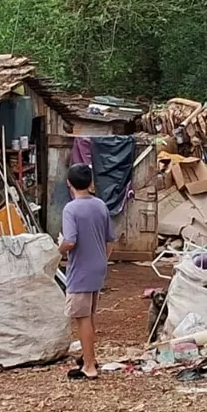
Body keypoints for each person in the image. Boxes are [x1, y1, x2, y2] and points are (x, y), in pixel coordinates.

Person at [59, 162, 116, 380]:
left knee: (82, 317)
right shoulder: (100, 205)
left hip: (80, 268)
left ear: (69, 184)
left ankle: (89, 366)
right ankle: (87, 356)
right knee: (89, 315)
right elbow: (110, 239)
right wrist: (102, 258)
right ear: (91, 183)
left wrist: (59, 249)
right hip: (97, 266)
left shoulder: (71, 209)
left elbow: (70, 241)